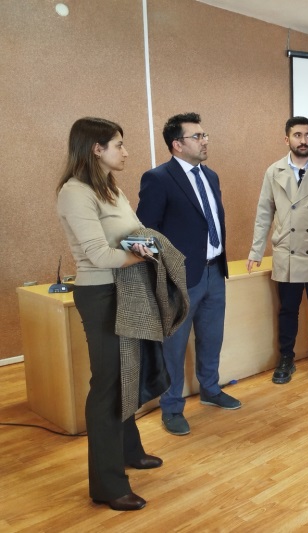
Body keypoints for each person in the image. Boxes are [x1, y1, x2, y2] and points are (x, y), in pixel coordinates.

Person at [57, 117, 162, 511]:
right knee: (108, 384)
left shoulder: (110, 187)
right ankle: (108, 485)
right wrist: (144, 254)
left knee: (127, 373)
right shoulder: (75, 192)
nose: (126, 152)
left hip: (125, 287)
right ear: (96, 149)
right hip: (100, 293)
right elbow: (100, 255)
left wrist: (146, 245)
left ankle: (129, 451)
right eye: (119, 144)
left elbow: (134, 231)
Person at [137, 113, 241, 436]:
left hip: (214, 271)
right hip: (179, 279)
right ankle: (171, 407)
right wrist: (163, 275)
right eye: (197, 136)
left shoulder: (210, 176)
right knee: (174, 346)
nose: (204, 140)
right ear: (177, 144)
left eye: (204, 135)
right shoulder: (158, 178)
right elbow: (146, 232)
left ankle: (210, 389)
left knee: (212, 337)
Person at [247, 116, 308, 384]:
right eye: (298, 135)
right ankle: (286, 359)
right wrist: (256, 251)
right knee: (287, 310)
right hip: (286, 251)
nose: (304, 140)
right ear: (287, 139)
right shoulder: (273, 171)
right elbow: (264, 213)